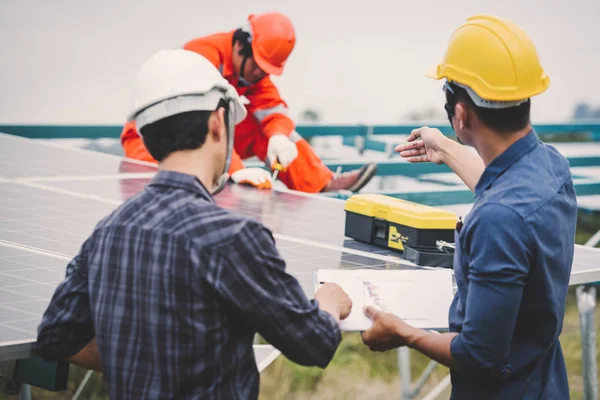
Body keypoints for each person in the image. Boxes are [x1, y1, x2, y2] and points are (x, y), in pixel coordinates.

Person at [34, 49, 352, 399]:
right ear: (218, 121)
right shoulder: (234, 237)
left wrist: (137, 360)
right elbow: (314, 344)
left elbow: (56, 335)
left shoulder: (108, 231)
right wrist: (329, 301)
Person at [361, 15, 577, 399]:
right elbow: (506, 190)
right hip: (545, 383)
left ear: (460, 113)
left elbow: (479, 355)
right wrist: (445, 147)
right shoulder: (551, 166)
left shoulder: (498, 219)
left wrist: (404, 332)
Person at [120, 12, 377, 193]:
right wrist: (234, 169)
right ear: (241, 46)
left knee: (267, 130)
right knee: (181, 184)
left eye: (267, 70)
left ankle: (321, 182)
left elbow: (273, 110)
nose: (261, 74)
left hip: (204, 140)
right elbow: (198, 124)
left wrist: (278, 137)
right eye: (259, 65)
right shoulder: (201, 55)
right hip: (153, 139)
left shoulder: (250, 72)